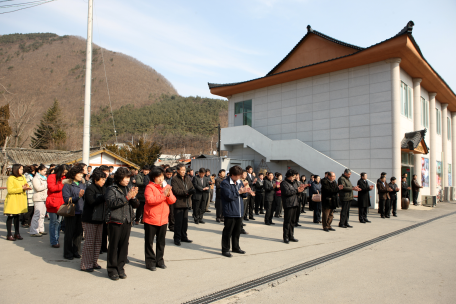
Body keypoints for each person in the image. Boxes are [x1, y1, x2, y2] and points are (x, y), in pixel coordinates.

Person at [105, 167, 139, 280]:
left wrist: (133, 199)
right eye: (125, 178)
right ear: (119, 178)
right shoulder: (111, 189)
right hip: (115, 220)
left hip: (127, 220)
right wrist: (127, 197)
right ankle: (112, 269)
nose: (127, 180)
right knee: (113, 246)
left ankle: (120, 268)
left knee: (124, 246)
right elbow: (111, 203)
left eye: (128, 177)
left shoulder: (129, 187)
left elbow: (136, 204)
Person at [144, 167, 176, 271]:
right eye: (159, 177)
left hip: (163, 219)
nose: (161, 179)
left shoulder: (165, 187)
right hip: (151, 219)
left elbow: (172, 200)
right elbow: (150, 200)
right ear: (154, 177)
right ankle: (150, 262)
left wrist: (167, 190)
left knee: (161, 241)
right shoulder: (150, 187)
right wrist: (163, 194)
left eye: (162, 176)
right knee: (149, 242)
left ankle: (159, 260)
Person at [220, 165, 252, 257]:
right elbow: (228, 196)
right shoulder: (225, 183)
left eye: (239, 175)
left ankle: (236, 247)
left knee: (237, 231)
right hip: (230, 211)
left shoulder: (239, 182)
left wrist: (245, 190)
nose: (239, 177)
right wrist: (239, 192)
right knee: (228, 231)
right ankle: (225, 249)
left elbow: (244, 195)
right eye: (237, 175)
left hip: (239, 211)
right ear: (232, 175)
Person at [80, 168, 107, 272]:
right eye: (102, 179)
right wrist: (103, 197)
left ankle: (94, 262)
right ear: (96, 179)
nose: (104, 182)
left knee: (97, 243)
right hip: (90, 219)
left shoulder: (104, 188)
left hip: (100, 219)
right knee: (89, 243)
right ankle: (85, 265)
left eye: (104, 180)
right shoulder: (90, 188)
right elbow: (91, 201)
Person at [62, 163, 87, 260]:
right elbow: (66, 199)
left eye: (82, 174)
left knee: (79, 233)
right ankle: (67, 252)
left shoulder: (83, 184)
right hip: (71, 211)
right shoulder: (67, 185)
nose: (81, 175)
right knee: (69, 233)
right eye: (79, 174)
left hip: (81, 211)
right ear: (73, 174)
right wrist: (78, 197)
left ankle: (76, 251)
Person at [4, 164, 31, 241]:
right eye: (21, 169)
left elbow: (25, 184)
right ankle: (9, 234)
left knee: (17, 217)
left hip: (20, 199)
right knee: (10, 216)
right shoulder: (11, 178)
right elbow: (10, 190)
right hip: (12, 200)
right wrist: (21, 188)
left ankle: (17, 233)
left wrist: (27, 186)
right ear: (16, 169)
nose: (22, 171)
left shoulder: (22, 177)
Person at [171, 163, 195, 246]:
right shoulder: (174, 179)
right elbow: (176, 191)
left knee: (185, 222)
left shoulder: (187, 178)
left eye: (184, 170)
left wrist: (191, 192)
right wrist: (187, 192)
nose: (183, 172)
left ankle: (184, 236)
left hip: (187, 202)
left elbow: (191, 187)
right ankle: (177, 238)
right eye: (182, 170)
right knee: (178, 222)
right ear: (178, 171)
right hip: (179, 203)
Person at [46, 164, 68, 248]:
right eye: (63, 172)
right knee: (53, 223)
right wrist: (63, 185)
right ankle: (53, 241)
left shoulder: (64, 178)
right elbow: (51, 188)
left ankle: (56, 239)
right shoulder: (51, 176)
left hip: (61, 202)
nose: (64, 174)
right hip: (53, 202)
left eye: (65, 173)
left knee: (58, 223)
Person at [281, 169, 305, 243]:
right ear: (289, 176)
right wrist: (297, 190)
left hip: (295, 203)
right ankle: (286, 237)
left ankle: (291, 236)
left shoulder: (294, 182)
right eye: (293, 176)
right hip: (288, 204)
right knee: (287, 221)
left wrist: (300, 190)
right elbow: (287, 192)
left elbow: (296, 191)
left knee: (292, 221)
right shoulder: (284, 183)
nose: (295, 177)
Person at [30, 164, 48, 237]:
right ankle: (34, 230)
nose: (45, 172)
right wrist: (46, 185)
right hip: (38, 198)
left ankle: (41, 229)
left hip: (44, 197)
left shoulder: (44, 178)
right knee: (37, 214)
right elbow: (37, 188)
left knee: (42, 215)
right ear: (39, 171)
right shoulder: (36, 178)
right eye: (44, 171)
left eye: (46, 171)